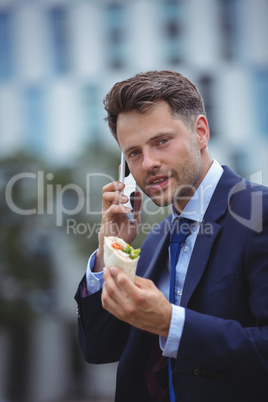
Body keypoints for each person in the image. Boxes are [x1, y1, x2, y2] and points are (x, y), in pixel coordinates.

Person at [74, 70, 268, 401]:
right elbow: (100, 348)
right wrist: (112, 250)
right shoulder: (152, 244)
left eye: (161, 141)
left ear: (201, 132)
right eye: (133, 152)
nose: (148, 163)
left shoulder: (258, 213)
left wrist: (170, 323)